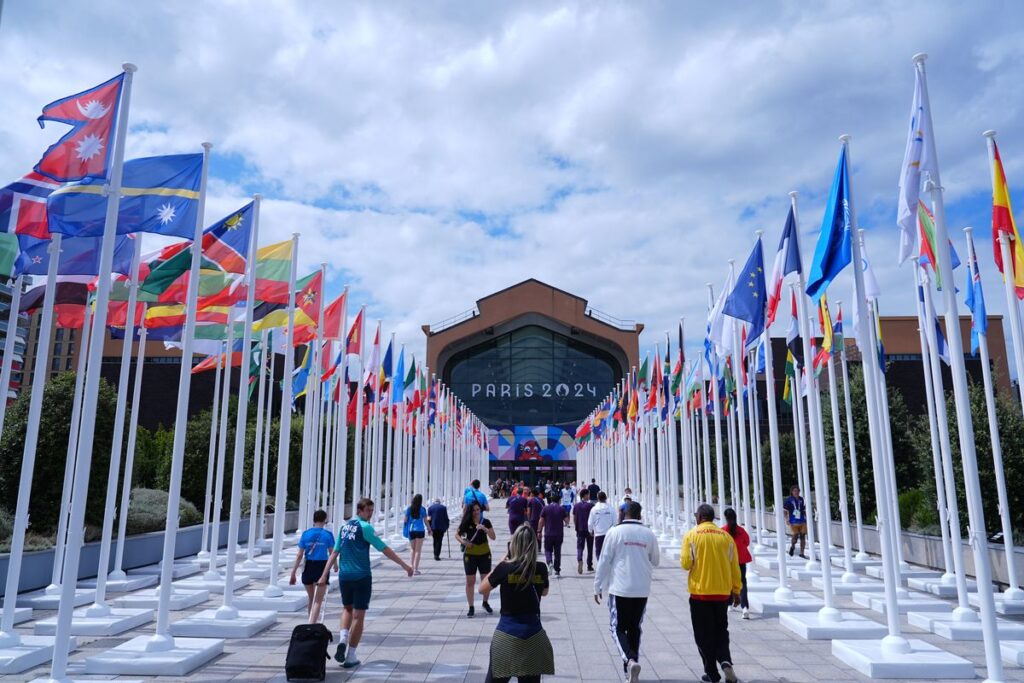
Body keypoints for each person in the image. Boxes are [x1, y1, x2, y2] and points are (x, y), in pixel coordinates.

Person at [319, 497, 413, 669]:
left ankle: (342, 638)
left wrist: (324, 575)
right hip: (361, 576)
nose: (370, 514)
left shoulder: (344, 527)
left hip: (345, 576)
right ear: (359, 511)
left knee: (347, 608)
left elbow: (334, 552)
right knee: (358, 616)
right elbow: (384, 549)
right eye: (368, 511)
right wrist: (405, 565)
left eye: (371, 510)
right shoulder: (365, 528)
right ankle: (351, 656)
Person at [594, 500, 660, 683]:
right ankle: (630, 669)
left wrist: (597, 586)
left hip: (620, 588)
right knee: (634, 628)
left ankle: (629, 661)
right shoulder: (648, 533)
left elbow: (604, 560)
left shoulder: (614, 532)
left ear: (624, 514)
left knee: (616, 627)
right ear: (640, 515)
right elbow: (656, 560)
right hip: (641, 589)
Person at [479, 525, 555, 682]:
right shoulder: (540, 568)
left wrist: (500, 564)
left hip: (507, 633)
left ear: (513, 545)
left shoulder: (505, 568)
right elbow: (545, 592)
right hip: (534, 634)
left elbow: (482, 589)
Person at [681, 504, 742, 683]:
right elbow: (734, 567)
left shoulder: (691, 535)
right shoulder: (726, 537)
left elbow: (686, 564)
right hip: (722, 594)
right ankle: (725, 661)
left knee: (703, 635)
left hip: (700, 594)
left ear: (699, 517)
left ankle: (712, 673)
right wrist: (737, 591)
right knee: (721, 631)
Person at [289, 509, 335, 616]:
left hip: (308, 565)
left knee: (311, 598)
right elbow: (332, 552)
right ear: (325, 520)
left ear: (313, 520)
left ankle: (310, 622)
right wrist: (335, 565)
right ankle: (313, 624)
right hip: (322, 566)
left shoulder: (306, 534)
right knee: (318, 600)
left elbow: (299, 555)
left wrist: (293, 572)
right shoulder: (328, 534)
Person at [457, 501, 496, 618]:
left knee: (486, 580)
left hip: (484, 553)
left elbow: (493, 537)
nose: (476, 512)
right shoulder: (467, 521)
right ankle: (471, 606)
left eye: (478, 510)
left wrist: (485, 529)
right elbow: (457, 534)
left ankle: (485, 602)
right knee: (470, 581)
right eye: (473, 510)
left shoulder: (486, 522)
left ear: (481, 510)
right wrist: (464, 542)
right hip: (470, 554)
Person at [722, 508, 751, 619]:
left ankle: (729, 603)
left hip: (729, 560)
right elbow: (747, 542)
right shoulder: (741, 531)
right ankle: (745, 607)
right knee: (742, 581)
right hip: (741, 560)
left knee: (729, 581)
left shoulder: (723, 531)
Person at [538, 492, 567, 577]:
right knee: (557, 552)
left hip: (548, 534)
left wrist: (539, 531)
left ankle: (549, 562)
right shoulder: (561, 509)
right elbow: (567, 521)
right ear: (559, 501)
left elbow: (541, 521)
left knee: (548, 550)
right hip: (559, 534)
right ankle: (557, 570)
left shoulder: (545, 508)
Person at [403, 493, 428, 575]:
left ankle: (411, 567)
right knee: (418, 550)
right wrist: (429, 529)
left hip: (411, 530)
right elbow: (425, 521)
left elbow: (405, 520)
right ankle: (416, 569)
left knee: (412, 549)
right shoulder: (422, 509)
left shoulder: (409, 509)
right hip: (420, 530)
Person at [572, 488, 595, 574]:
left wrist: (576, 526)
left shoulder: (576, 506)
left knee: (580, 547)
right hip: (589, 530)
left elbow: (574, 518)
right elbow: (593, 518)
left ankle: (580, 559)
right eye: (588, 494)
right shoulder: (591, 505)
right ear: (585, 495)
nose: (589, 496)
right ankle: (589, 565)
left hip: (580, 529)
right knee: (590, 547)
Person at [589, 491, 616, 561]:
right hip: (609, 534)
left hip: (598, 533)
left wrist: (590, 530)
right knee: (609, 552)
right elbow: (615, 522)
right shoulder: (611, 509)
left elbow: (590, 522)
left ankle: (600, 565)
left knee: (599, 551)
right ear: (606, 498)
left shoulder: (594, 509)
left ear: (597, 498)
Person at [783, 485, 807, 559]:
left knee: (803, 536)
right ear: (792, 492)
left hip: (802, 521)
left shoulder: (801, 499)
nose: (796, 492)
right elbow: (785, 510)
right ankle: (792, 546)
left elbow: (803, 509)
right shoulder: (789, 500)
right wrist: (786, 519)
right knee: (795, 536)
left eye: (798, 491)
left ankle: (802, 553)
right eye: (795, 491)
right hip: (793, 522)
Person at [426, 497, 450, 561]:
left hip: (433, 527)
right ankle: (437, 555)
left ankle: (435, 554)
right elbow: (446, 517)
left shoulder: (430, 508)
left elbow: (429, 519)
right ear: (439, 502)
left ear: (434, 502)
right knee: (439, 541)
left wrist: (429, 527)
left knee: (435, 540)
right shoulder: (443, 508)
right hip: (441, 527)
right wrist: (447, 525)